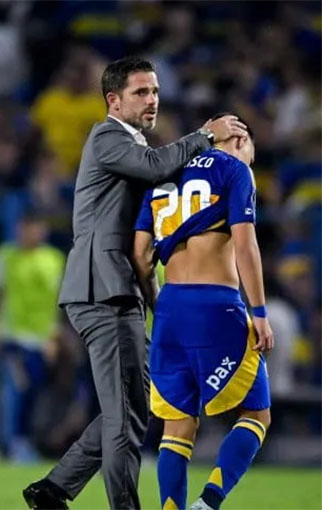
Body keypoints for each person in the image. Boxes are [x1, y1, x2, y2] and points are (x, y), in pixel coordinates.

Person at [23, 56, 248, 510]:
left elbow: (144, 237)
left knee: (134, 403)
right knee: (126, 415)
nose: (152, 100)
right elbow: (155, 166)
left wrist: (155, 299)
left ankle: (53, 488)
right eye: (141, 92)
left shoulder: (132, 147)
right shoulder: (107, 137)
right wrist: (205, 135)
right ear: (114, 100)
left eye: (156, 91)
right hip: (102, 289)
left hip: (117, 290)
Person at [132, 114, 273, 510]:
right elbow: (245, 246)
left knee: (176, 427)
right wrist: (260, 312)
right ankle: (208, 502)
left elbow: (140, 256)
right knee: (257, 414)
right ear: (241, 140)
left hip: (170, 309)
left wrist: (158, 303)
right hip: (216, 305)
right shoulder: (236, 171)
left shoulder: (163, 175)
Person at [0, 214, 65, 462]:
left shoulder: (54, 259)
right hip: (11, 336)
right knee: (17, 388)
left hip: (40, 339)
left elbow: (58, 301)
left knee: (34, 390)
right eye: (27, 228)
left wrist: (54, 336)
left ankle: (23, 440)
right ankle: (10, 442)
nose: (31, 233)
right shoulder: (4, 257)